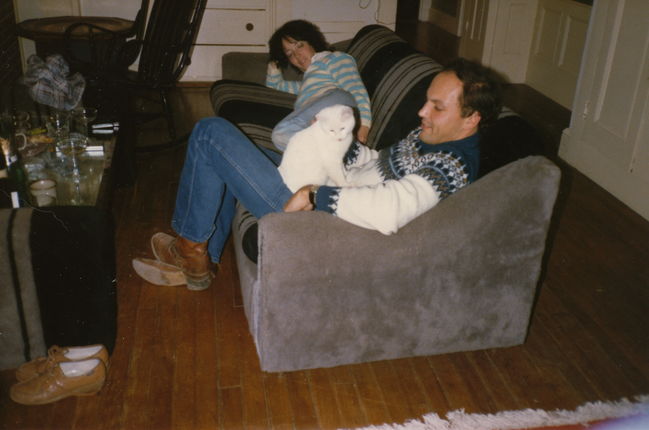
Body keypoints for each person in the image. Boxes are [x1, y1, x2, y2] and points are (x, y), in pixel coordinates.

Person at [131, 57, 503, 291]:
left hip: (321, 222)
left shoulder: (449, 165)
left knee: (211, 134)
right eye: (426, 101)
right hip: (333, 194)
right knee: (238, 150)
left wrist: (313, 194)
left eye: (436, 107)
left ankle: (190, 248)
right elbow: (377, 162)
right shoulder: (433, 138)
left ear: (472, 119)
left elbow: (390, 209)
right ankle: (201, 258)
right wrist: (333, 139)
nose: (422, 112)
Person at [265, 20, 372, 148]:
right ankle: (333, 154)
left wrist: (364, 126)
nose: (297, 55)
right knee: (283, 140)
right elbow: (275, 85)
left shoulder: (333, 58)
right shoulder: (306, 84)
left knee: (281, 133)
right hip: (320, 121)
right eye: (289, 53)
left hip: (338, 101)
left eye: (299, 46)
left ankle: (348, 152)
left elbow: (356, 89)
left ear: (312, 42)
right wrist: (274, 63)